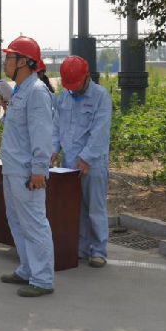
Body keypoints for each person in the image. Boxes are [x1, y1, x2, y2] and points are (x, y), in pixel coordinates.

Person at [0, 35, 56, 297]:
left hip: (26, 172)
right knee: (18, 222)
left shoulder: (36, 92)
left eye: (9, 57)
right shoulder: (20, 90)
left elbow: (42, 135)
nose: (6, 62)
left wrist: (39, 170)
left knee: (34, 224)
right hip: (13, 169)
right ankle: (27, 269)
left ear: (23, 62)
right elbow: (18, 129)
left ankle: (42, 279)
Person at [52, 55, 113, 269]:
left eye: (76, 84)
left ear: (86, 77)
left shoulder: (100, 97)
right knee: (74, 208)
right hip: (69, 163)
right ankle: (79, 247)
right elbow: (56, 127)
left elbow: (100, 132)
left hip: (93, 163)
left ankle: (98, 251)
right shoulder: (64, 97)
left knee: (94, 207)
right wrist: (53, 150)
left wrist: (86, 158)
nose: (73, 89)